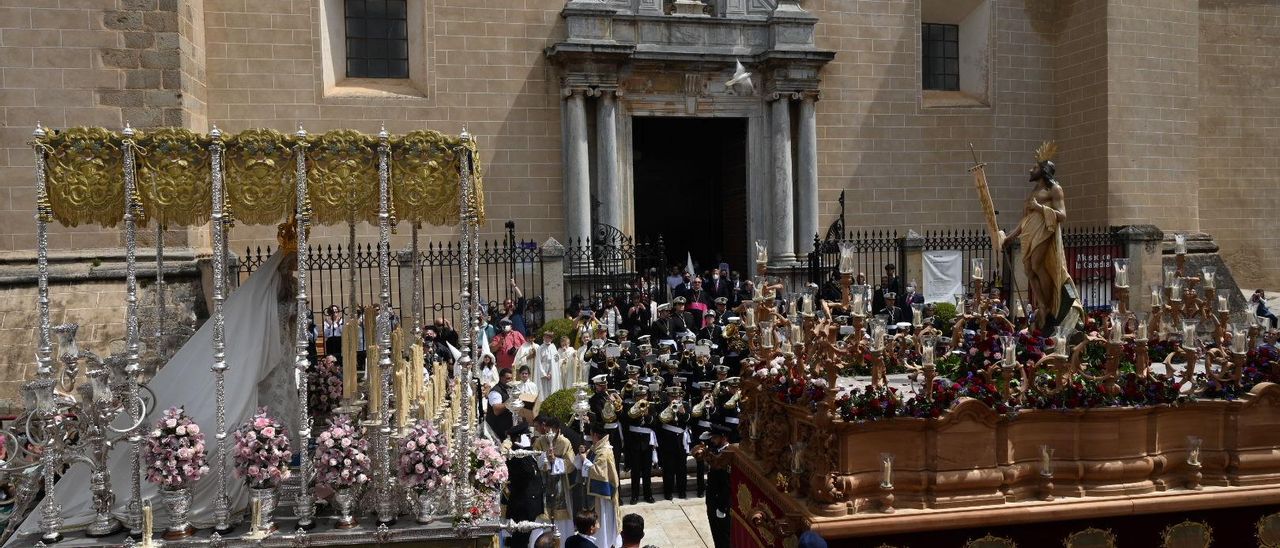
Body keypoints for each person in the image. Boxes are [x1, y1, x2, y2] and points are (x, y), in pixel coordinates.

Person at [1001, 143, 1082, 331]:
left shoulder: (1055, 189)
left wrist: (1040, 208)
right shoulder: (1033, 192)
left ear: (1044, 170)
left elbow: (1062, 215)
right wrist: (1010, 237)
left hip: (1044, 232)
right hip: (1029, 233)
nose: (1031, 169)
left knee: (1038, 266)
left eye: (1035, 167)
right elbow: (1024, 220)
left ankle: (1049, 307)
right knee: (1029, 270)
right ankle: (1042, 305)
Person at [533, 414, 577, 540]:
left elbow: (571, 464)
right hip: (544, 483)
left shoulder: (564, 443)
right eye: (546, 430)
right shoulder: (540, 442)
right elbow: (534, 459)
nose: (548, 433)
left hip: (561, 485)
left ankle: (562, 541)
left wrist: (556, 461)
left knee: (560, 516)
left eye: (550, 430)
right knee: (545, 516)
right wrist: (545, 458)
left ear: (557, 429)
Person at [504, 422, 544, 548]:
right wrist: (526, 450)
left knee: (526, 540)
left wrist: (528, 450)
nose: (529, 438)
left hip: (529, 504)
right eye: (526, 435)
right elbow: (529, 472)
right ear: (520, 437)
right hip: (523, 506)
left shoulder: (525, 452)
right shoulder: (517, 454)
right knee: (520, 540)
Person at [695, 422, 734, 548]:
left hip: (720, 503)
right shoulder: (715, 450)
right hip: (712, 499)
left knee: (724, 537)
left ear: (724, 438)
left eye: (715, 437)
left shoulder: (728, 454)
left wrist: (722, 507)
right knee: (716, 534)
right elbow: (701, 439)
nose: (712, 440)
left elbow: (728, 484)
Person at [583, 425, 622, 547]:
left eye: (591, 434)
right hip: (598, 493)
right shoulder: (596, 447)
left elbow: (599, 472)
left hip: (604, 494)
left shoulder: (604, 451)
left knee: (604, 519)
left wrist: (585, 460)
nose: (590, 437)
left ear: (595, 435)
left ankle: (604, 542)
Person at [485, 368, 515, 442]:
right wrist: (511, 401)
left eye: (511, 379)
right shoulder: (495, 392)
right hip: (497, 430)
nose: (510, 381)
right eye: (508, 378)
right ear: (501, 378)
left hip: (507, 428)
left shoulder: (509, 389)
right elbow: (497, 410)